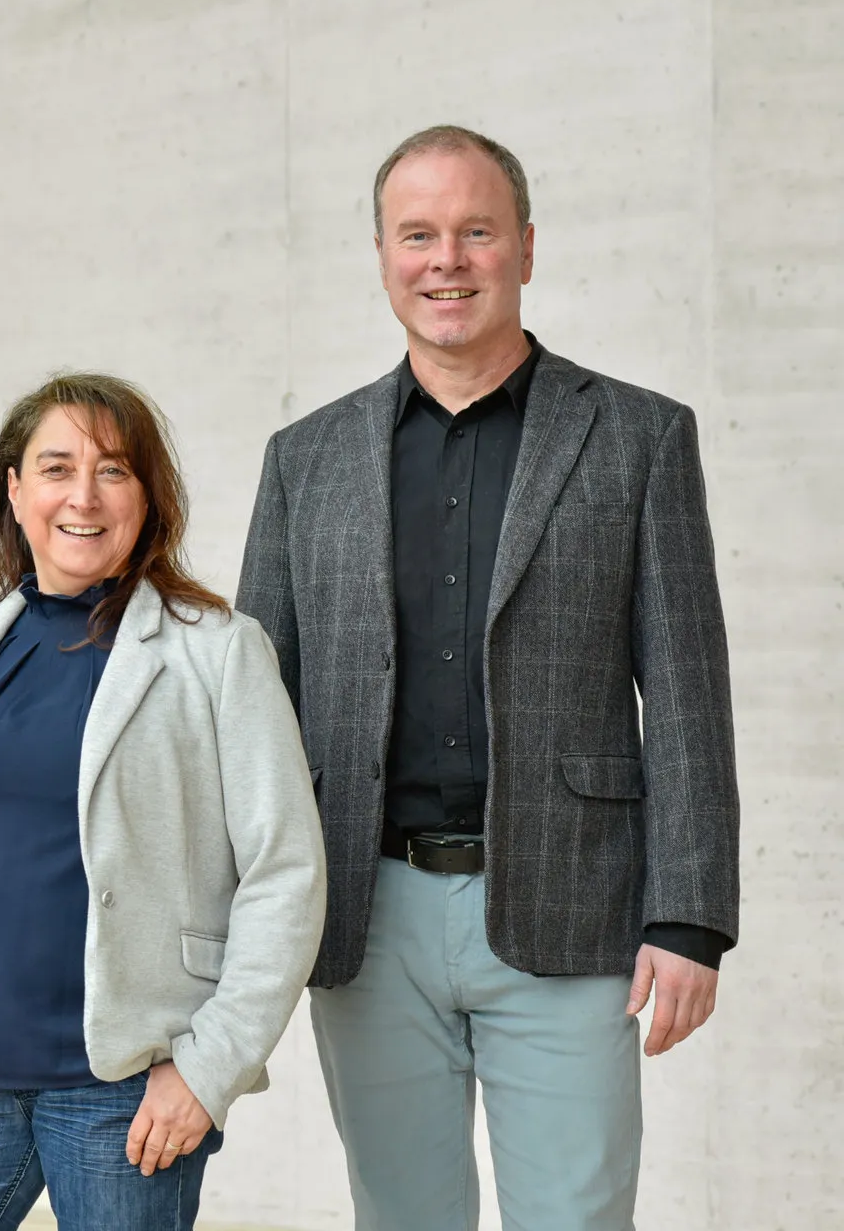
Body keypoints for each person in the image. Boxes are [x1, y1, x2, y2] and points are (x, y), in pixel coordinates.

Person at [236, 125, 740, 1229]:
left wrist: (690, 916)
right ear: (381, 255)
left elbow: (689, 690)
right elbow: (251, 709)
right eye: (418, 234)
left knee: (575, 1214)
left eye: (475, 230)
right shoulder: (304, 458)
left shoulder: (639, 437)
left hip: (571, 903)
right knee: (400, 1215)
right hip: (365, 914)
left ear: (523, 246)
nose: (446, 259)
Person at [0, 373, 325, 1231]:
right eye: (57, 467)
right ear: (14, 488)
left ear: (149, 497)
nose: (83, 496)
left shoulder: (217, 653)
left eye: (114, 470)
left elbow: (285, 873)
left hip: (124, 1091)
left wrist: (208, 1068)